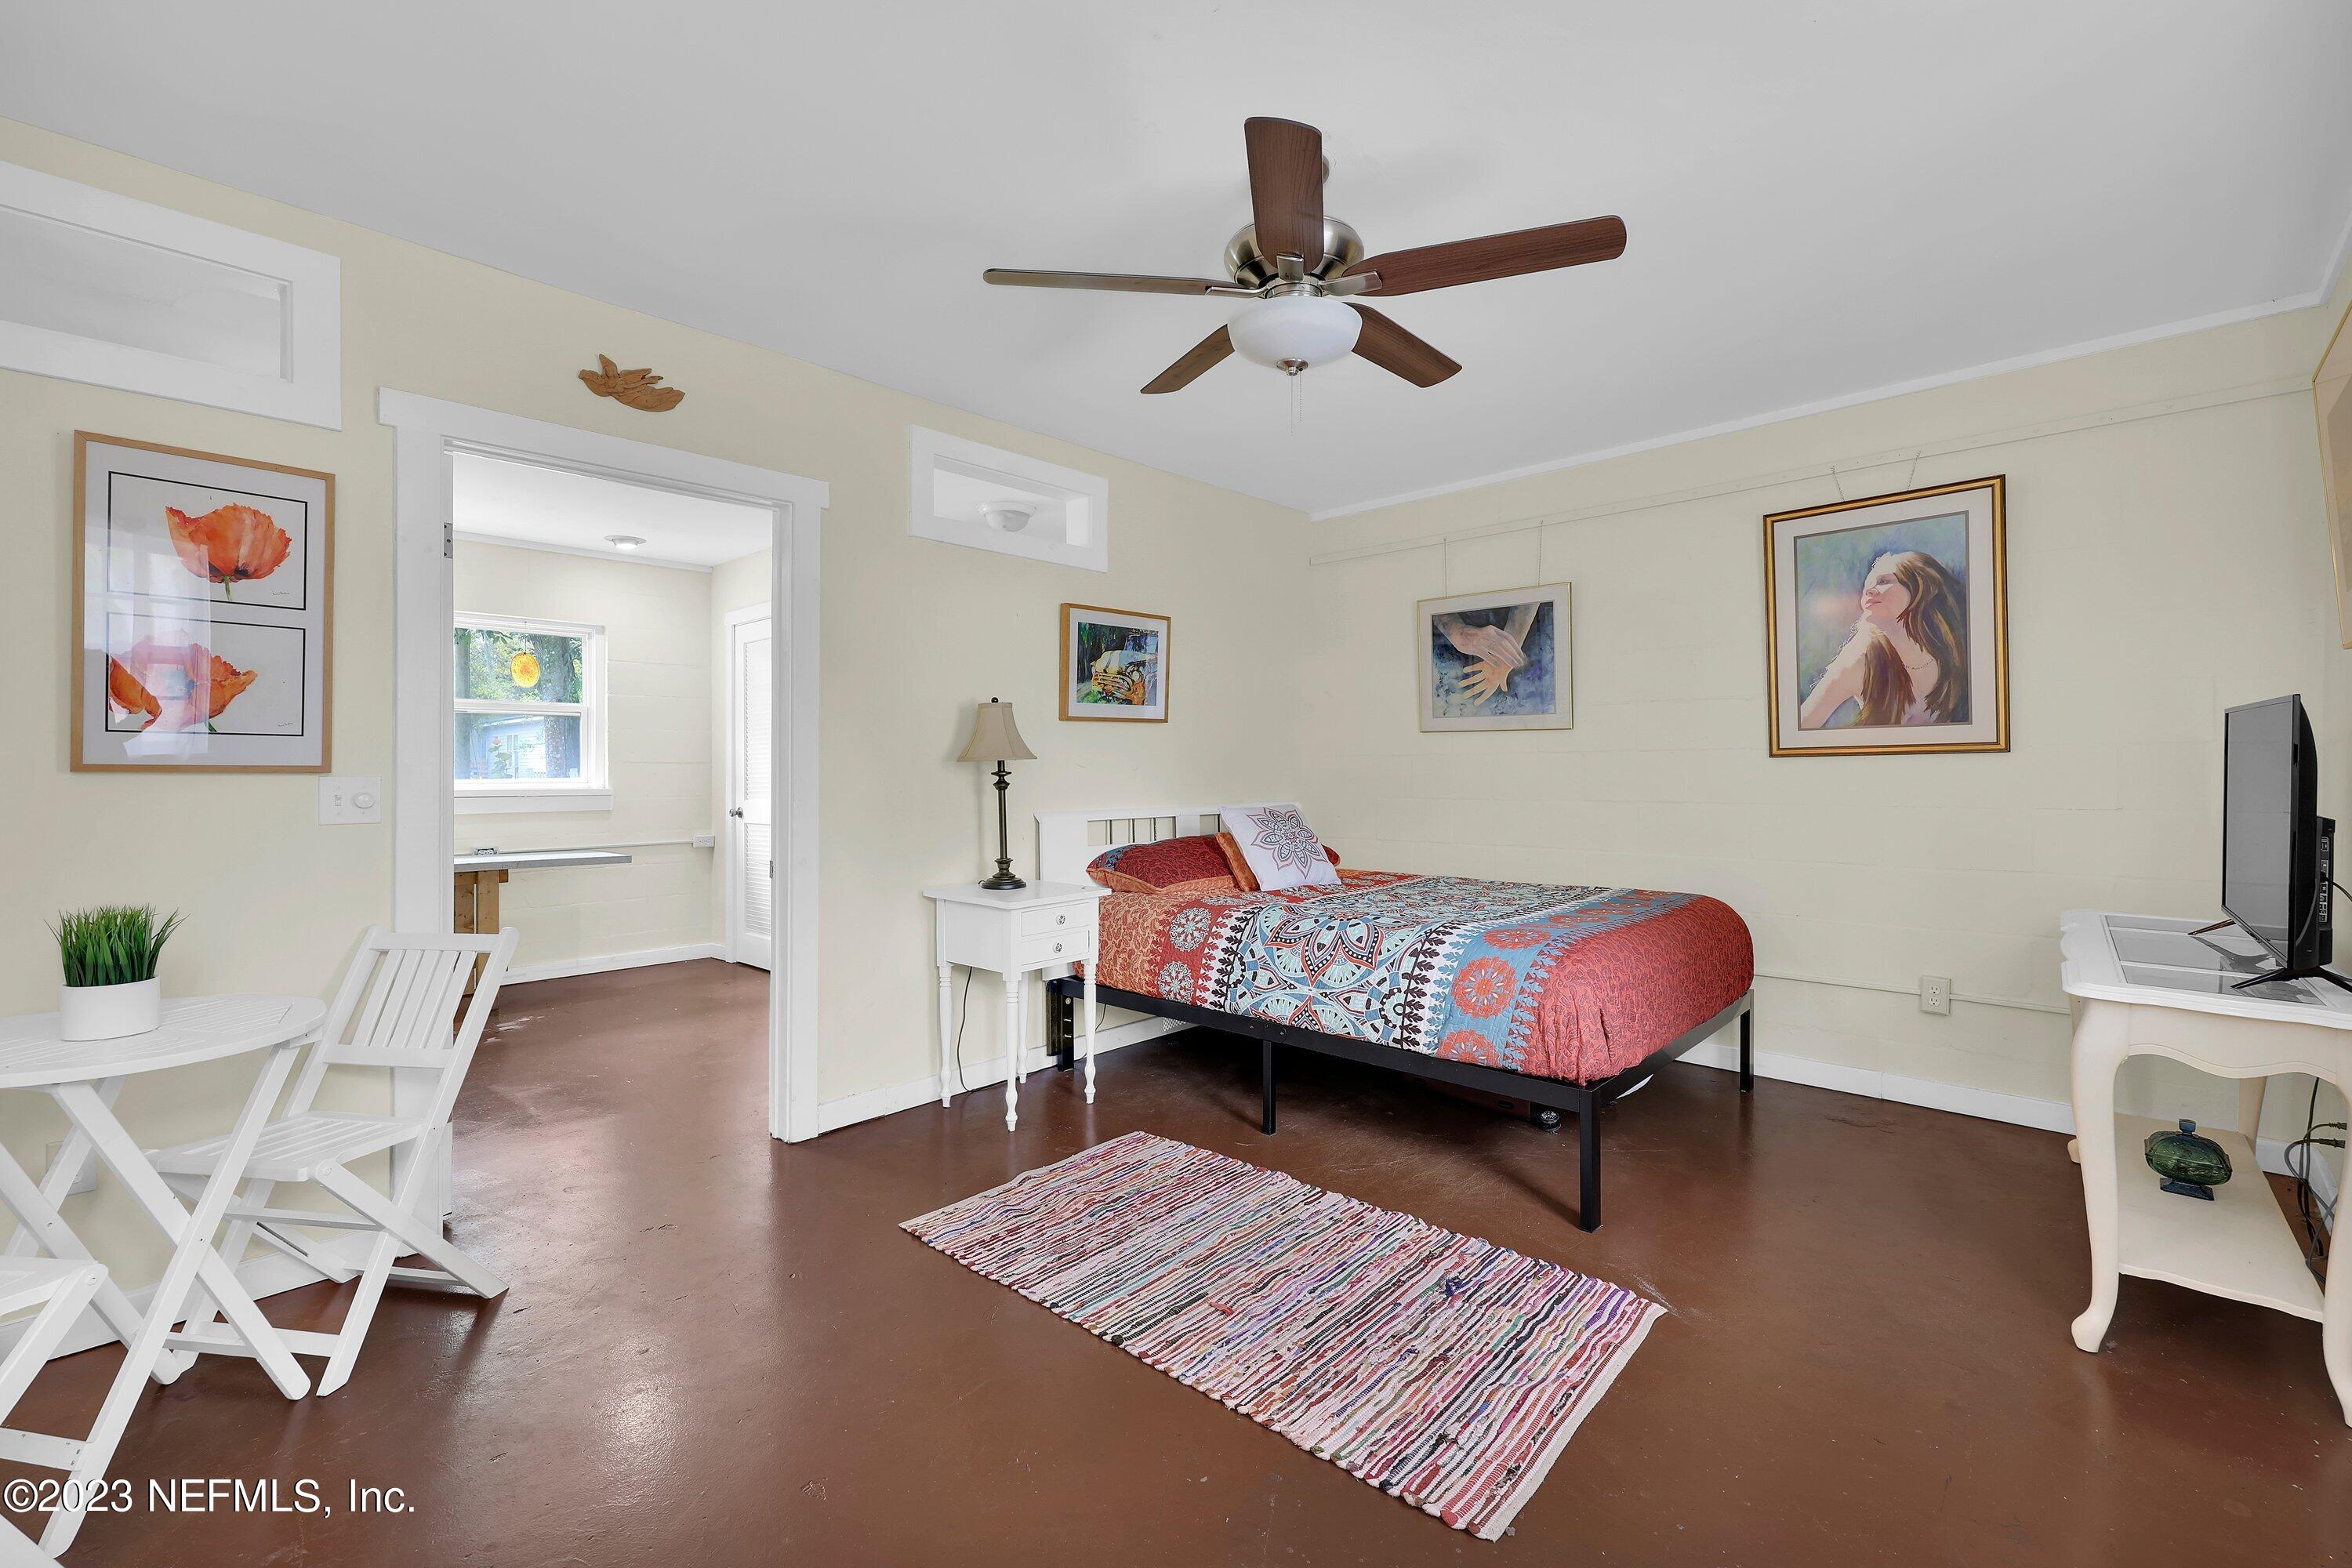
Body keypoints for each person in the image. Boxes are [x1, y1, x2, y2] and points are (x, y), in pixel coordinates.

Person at [1798, 550, 1968, 728]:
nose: (1869, 591)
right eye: (1867, 586)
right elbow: (1800, 728)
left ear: (1922, 588)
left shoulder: (1958, 652)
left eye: (1883, 581)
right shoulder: (1861, 659)